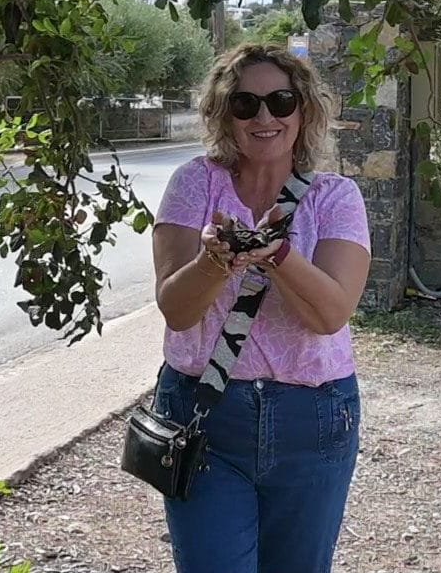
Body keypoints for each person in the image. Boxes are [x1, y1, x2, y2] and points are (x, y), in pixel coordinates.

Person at [152, 43, 371, 573]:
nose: (265, 117)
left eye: (281, 101)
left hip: (312, 419)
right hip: (206, 413)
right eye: (245, 104)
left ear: (304, 110)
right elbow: (177, 310)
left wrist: (277, 254)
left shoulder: (335, 197)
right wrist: (215, 261)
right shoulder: (195, 183)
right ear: (224, 113)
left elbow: (329, 315)